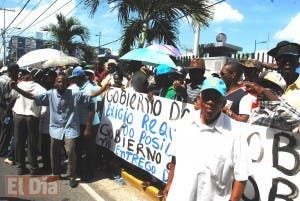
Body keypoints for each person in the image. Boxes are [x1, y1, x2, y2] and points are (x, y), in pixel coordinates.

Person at [10, 74, 110, 187]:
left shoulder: (75, 94)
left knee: (71, 151)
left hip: (70, 129)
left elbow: (90, 96)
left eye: (63, 81)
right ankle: (55, 173)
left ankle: (71, 176)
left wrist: (103, 88)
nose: (61, 84)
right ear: (55, 83)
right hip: (55, 129)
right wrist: (17, 88)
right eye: (58, 81)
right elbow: (33, 96)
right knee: (54, 152)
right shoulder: (50, 94)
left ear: (67, 83)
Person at [163, 77, 252, 201]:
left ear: (223, 103)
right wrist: (169, 184)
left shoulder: (235, 132)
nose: (211, 101)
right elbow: (175, 158)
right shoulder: (185, 123)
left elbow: (241, 176)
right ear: (200, 98)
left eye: (216, 98)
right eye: (207, 96)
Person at [13, 68, 47, 175]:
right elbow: (45, 107)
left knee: (19, 142)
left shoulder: (20, 85)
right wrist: (39, 116)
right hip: (32, 118)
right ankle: (33, 168)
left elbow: (12, 97)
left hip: (19, 116)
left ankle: (20, 167)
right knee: (32, 143)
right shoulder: (41, 88)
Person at [267, 40, 300, 110]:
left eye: (292, 59)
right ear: (277, 63)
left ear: (297, 63)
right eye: (283, 59)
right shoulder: (268, 80)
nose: (287, 62)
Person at [0, 63, 19, 157]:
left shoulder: (1, 78)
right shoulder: (9, 81)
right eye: (17, 71)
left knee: (3, 129)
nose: (18, 73)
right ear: (12, 71)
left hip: (2, 107)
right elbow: (8, 97)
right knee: (6, 130)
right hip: (5, 109)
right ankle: (2, 150)